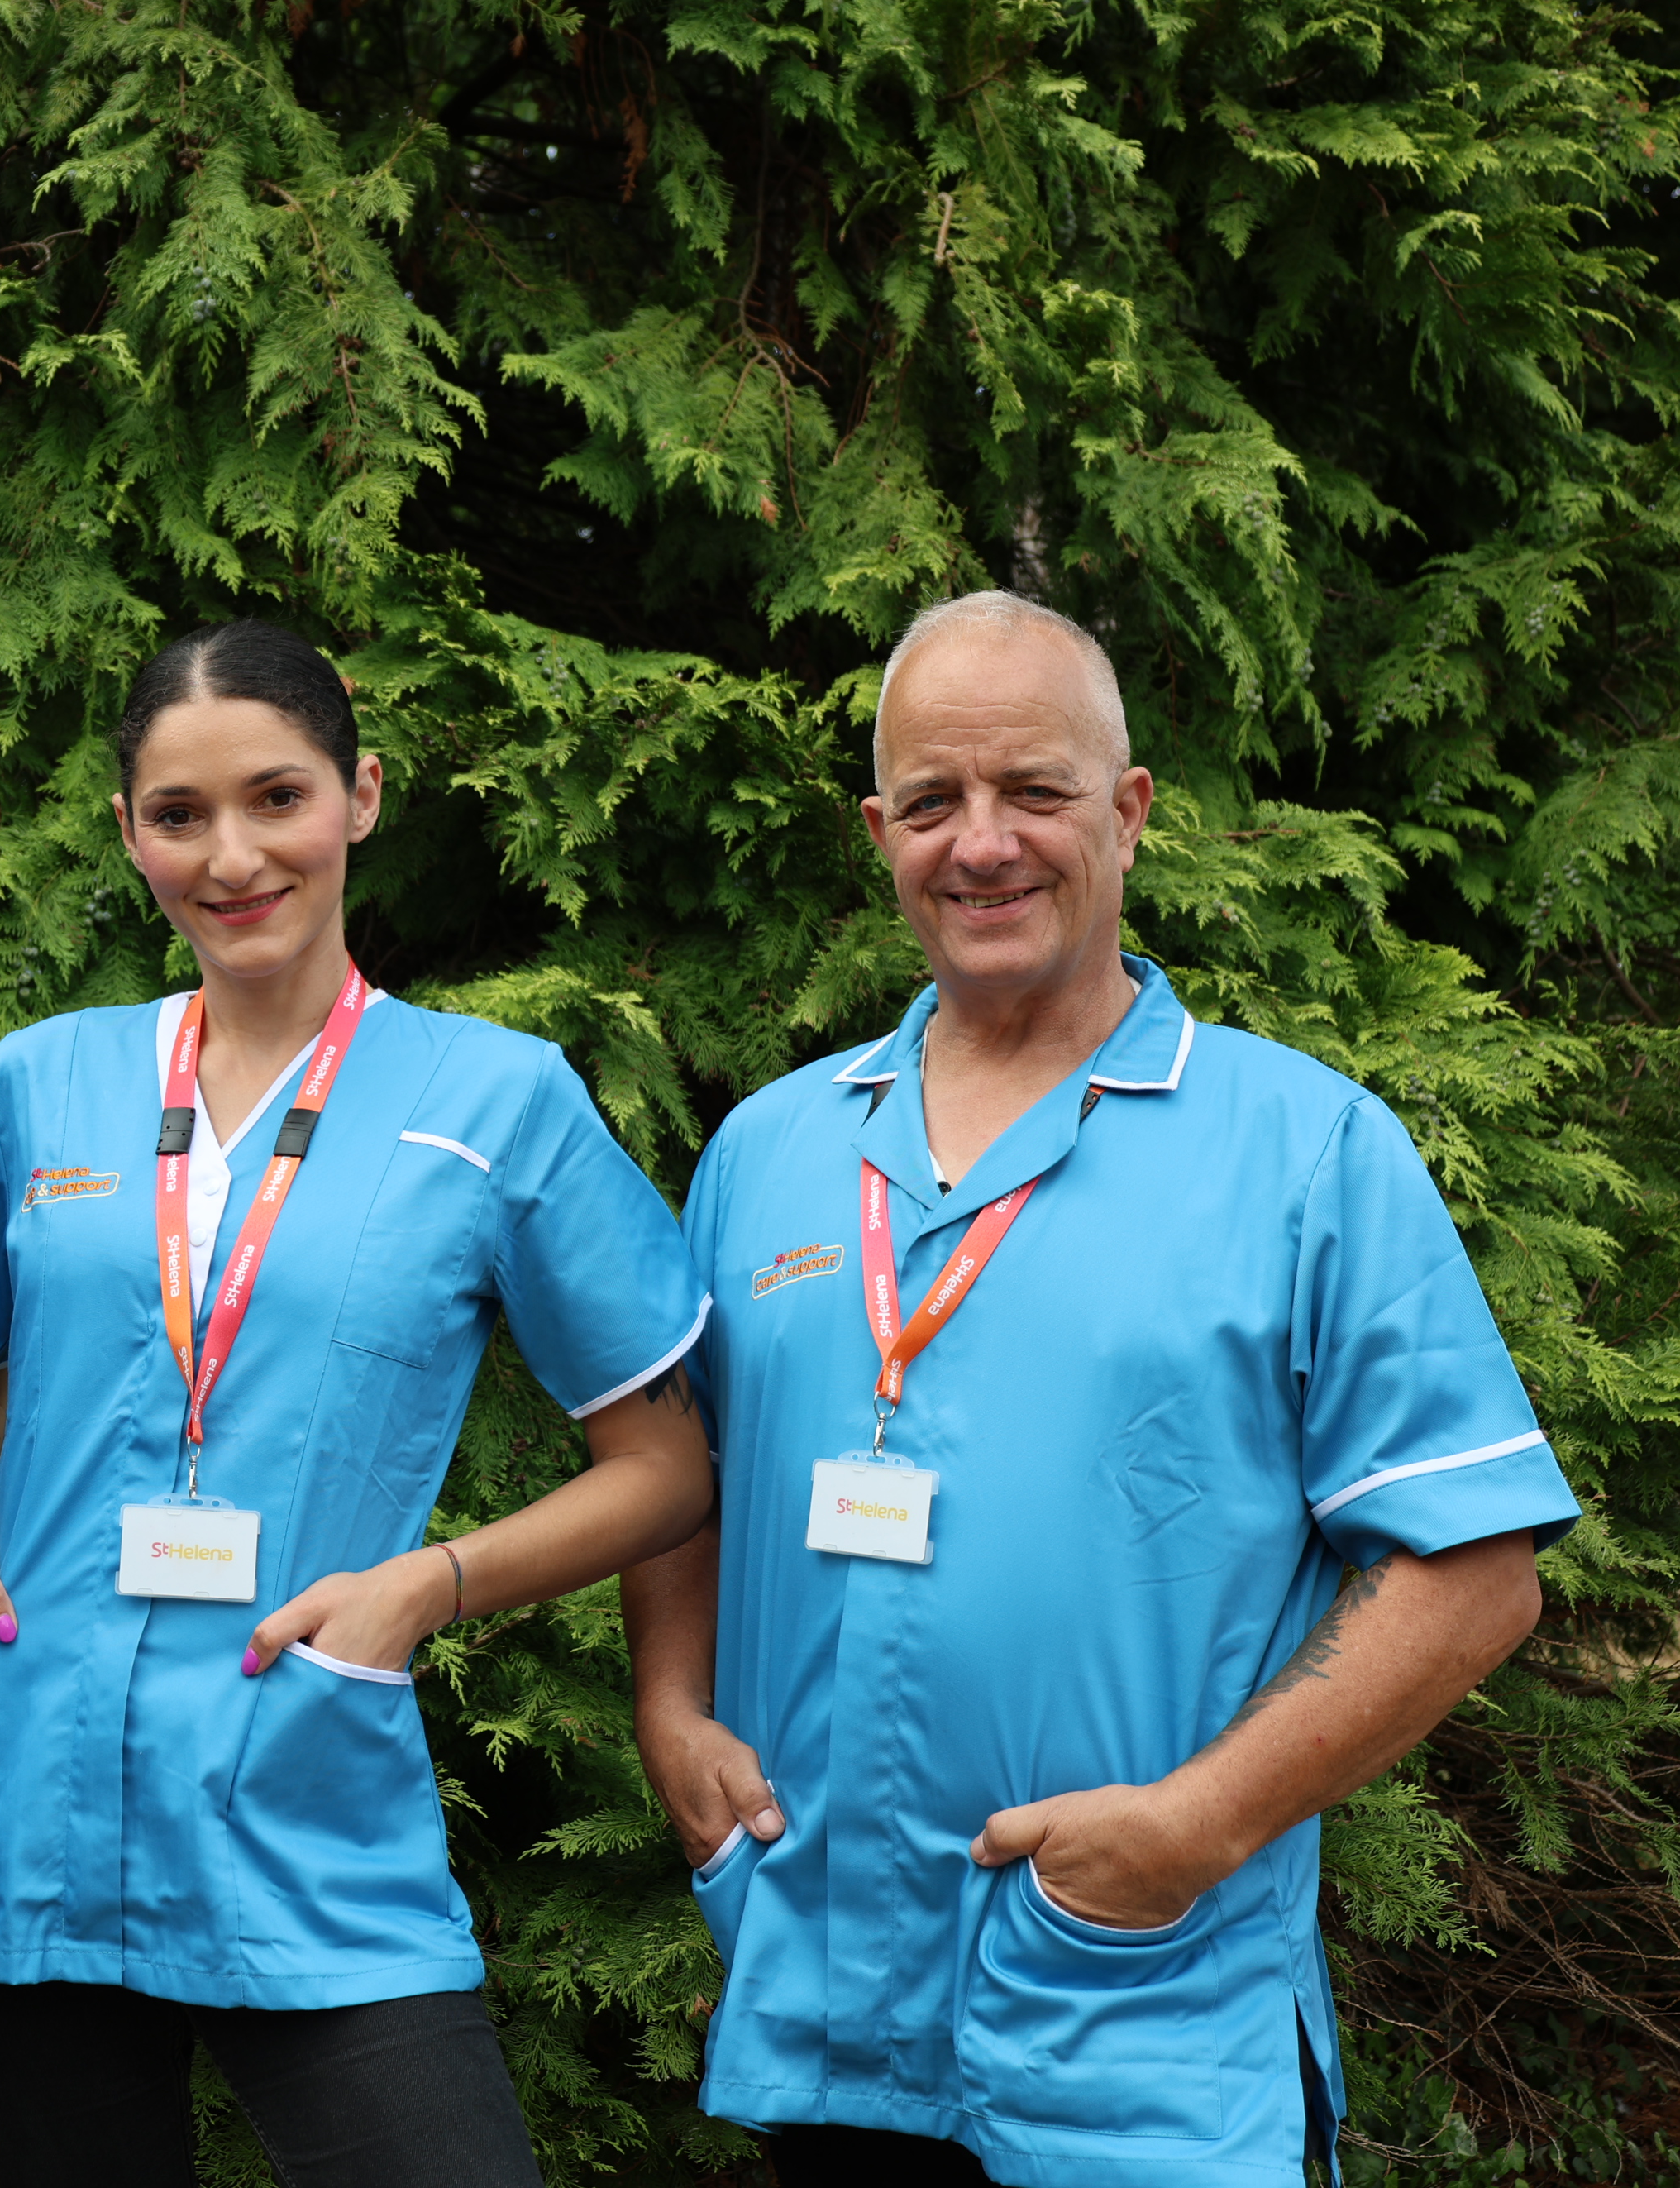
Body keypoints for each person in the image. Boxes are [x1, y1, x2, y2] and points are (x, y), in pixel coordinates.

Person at [627, 589, 1581, 2188]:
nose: (981, 843)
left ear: (1129, 814)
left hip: (1145, 2027)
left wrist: (1192, 1832)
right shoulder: (767, 1151)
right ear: (880, 832)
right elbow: (679, 1477)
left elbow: (1477, 1574)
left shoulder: (1305, 1151)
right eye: (932, 800)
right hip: (826, 2014)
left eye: (1035, 793)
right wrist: (670, 1711)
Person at [0, 619, 715, 2187]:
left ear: (361, 796)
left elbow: (665, 1463)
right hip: (25, 1785)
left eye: (278, 798)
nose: (232, 855)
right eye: (179, 815)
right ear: (128, 833)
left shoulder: (496, 1101)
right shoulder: (42, 1081)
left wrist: (425, 1586)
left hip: (304, 1800)